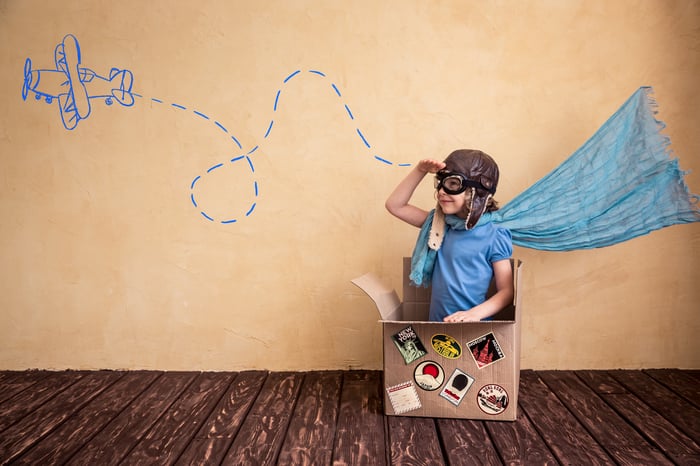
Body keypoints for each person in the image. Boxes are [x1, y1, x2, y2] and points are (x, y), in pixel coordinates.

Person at [385, 149, 514, 322]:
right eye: (441, 183)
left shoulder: (494, 235)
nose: (441, 192)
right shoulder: (438, 224)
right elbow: (395, 205)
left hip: (475, 330)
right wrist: (420, 171)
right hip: (438, 328)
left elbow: (507, 292)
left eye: (453, 184)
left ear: (477, 193)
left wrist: (474, 314)